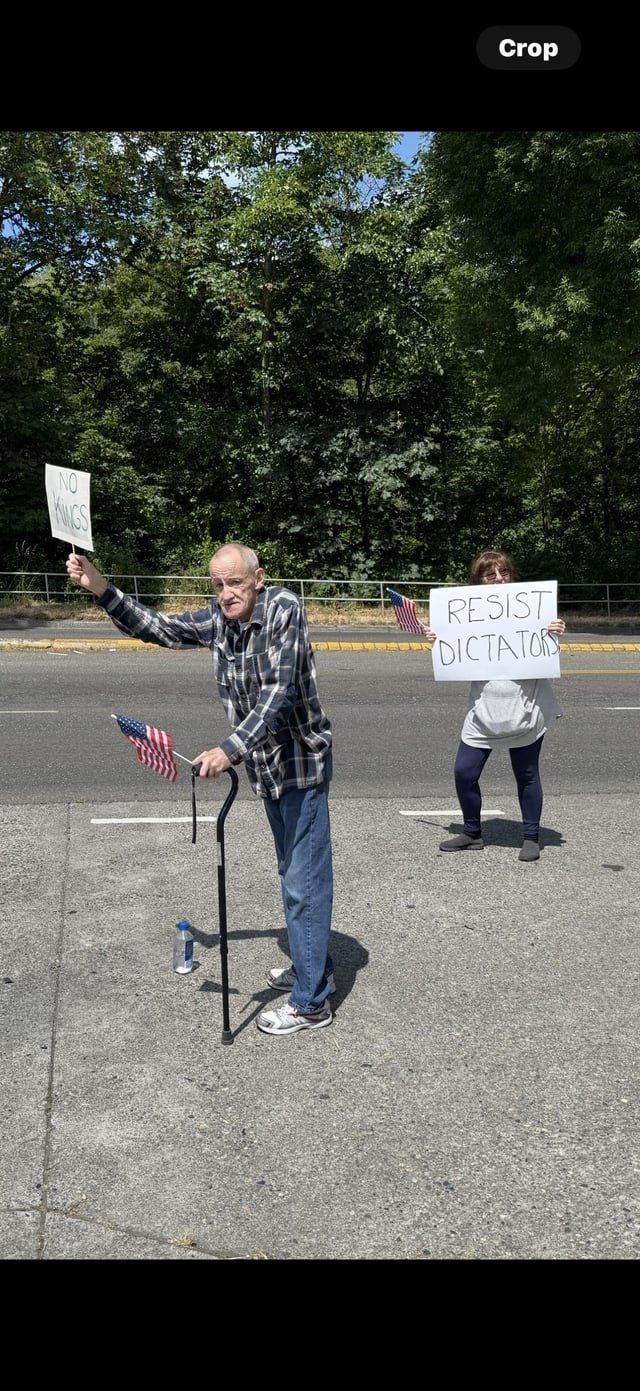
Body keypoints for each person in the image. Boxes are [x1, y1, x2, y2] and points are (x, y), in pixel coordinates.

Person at [66, 543, 335, 1036]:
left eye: (235, 582)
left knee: (305, 883)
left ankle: (313, 1001)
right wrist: (102, 590)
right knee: (292, 875)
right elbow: (161, 629)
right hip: (267, 769)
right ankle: (311, 967)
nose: (226, 593)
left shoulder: (284, 609)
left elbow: (281, 691)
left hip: (300, 763)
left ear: (258, 578)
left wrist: (229, 748)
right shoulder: (219, 619)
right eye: (217, 584)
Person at [425, 548, 566, 861]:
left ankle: (531, 836)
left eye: (505, 573)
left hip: (526, 710)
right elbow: (456, 652)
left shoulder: (533, 609)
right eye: (491, 575)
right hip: (483, 713)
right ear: (479, 582)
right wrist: (441, 638)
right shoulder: (466, 617)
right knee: (464, 772)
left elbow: (545, 649)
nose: (500, 579)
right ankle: (472, 832)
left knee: (527, 774)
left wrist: (555, 631)